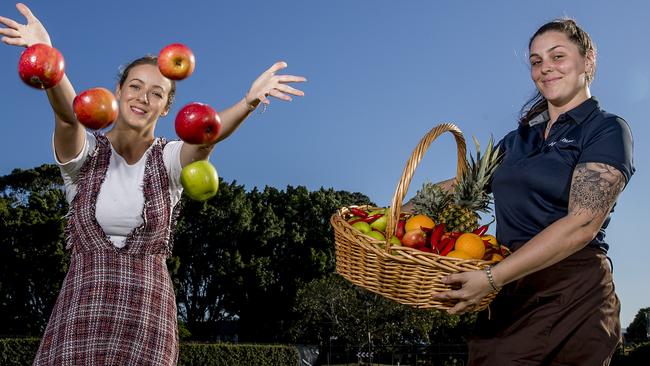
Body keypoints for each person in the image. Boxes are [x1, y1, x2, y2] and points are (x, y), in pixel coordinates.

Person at [0, 3, 305, 365]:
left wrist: (249, 101)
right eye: (135, 86)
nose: (143, 97)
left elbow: (204, 138)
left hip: (148, 315)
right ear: (118, 90)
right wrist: (46, 57)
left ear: (165, 108)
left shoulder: (170, 159)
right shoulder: (85, 156)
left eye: (157, 93)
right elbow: (69, 117)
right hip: (81, 310)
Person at [430, 19, 634, 365]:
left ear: (588, 60)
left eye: (558, 56)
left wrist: (492, 278)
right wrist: (391, 212)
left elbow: (582, 224)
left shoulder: (606, 129)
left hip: (572, 294)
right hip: (510, 291)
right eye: (536, 61)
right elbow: (461, 186)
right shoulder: (517, 141)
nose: (545, 68)